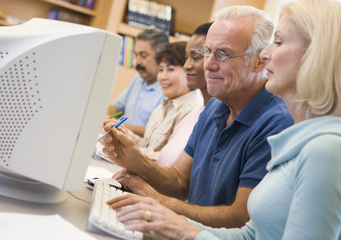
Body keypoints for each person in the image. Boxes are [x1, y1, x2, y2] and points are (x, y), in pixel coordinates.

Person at [107, 0, 341, 239]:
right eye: (208, 52)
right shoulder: (217, 107)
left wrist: (165, 209)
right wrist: (139, 166)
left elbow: (239, 218)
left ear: (316, 57)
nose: (207, 64)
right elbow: (250, 233)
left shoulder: (316, 143)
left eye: (223, 54)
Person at [126, 41, 204, 160]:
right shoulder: (164, 105)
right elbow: (149, 145)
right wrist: (122, 134)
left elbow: (169, 159)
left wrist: (129, 150)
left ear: (189, 71)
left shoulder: (193, 110)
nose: (162, 77)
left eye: (170, 69)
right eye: (161, 70)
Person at [157, 22, 213, 166]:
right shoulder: (194, 114)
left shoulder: (214, 119)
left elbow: (181, 181)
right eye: (187, 57)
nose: (186, 66)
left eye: (195, 57)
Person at [107, 28, 168, 136]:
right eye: (136, 55)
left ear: (161, 56)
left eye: (143, 56)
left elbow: (156, 133)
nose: (138, 61)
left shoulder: (168, 90)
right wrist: (102, 116)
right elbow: (116, 108)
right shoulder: (138, 79)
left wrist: (119, 125)